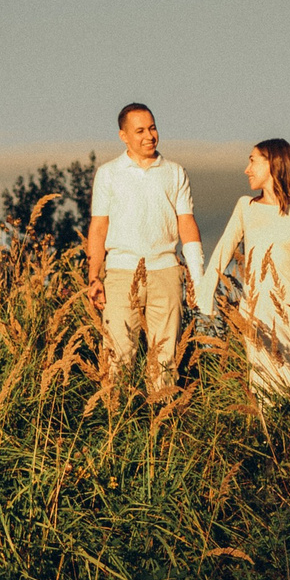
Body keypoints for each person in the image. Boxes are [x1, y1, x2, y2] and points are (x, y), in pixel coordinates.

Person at [84, 103, 201, 400]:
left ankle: (162, 431)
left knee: (165, 362)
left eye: (152, 127)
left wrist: (198, 277)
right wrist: (94, 277)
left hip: (166, 271)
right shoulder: (108, 174)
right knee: (117, 357)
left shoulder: (175, 172)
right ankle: (116, 426)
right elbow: (98, 228)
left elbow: (186, 223)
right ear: (123, 135)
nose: (149, 135)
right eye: (140, 130)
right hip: (121, 273)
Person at [203, 138, 290, 408]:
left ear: (273, 163)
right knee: (263, 389)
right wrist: (202, 293)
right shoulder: (246, 206)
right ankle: (269, 446)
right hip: (255, 312)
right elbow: (222, 250)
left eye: (252, 160)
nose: (247, 169)